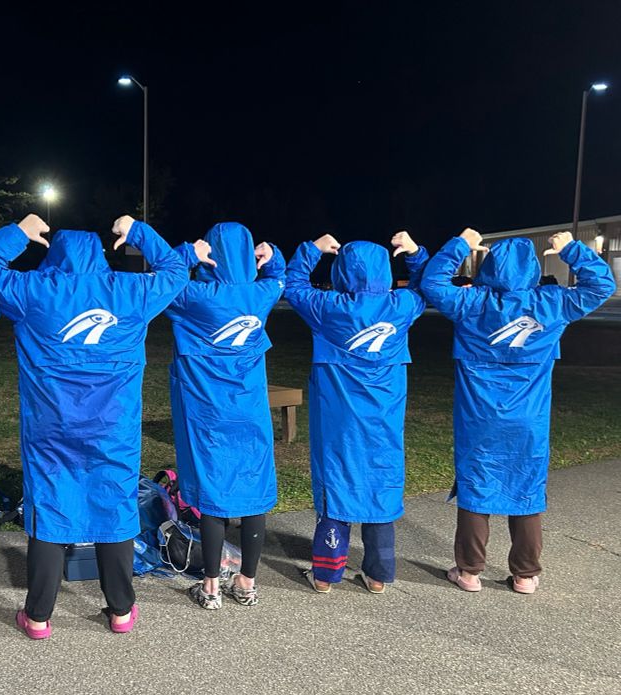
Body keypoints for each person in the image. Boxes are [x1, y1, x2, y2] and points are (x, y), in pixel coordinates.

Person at [0, 213, 192, 638]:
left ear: (54, 256)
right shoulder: (129, 292)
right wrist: (138, 232)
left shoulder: (34, 290)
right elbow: (177, 269)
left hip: (50, 428)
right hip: (113, 428)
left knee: (51, 508)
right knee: (113, 505)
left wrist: (17, 234)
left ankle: (38, 616)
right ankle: (122, 611)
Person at [420, 228, 615, 594]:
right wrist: (571, 250)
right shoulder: (550, 303)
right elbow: (601, 285)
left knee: (477, 484)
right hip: (528, 417)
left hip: (478, 415)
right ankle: (525, 574)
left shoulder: (471, 303)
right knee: (525, 487)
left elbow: (432, 282)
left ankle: (469, 571)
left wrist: (460, 245)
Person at [284, 231, 429, 593]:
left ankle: (326, 574)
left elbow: (293, 283)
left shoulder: (329, 308)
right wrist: (414, 254)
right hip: (383, 418)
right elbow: (431, 284)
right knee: (380, 483)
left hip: (338, 419)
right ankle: (378, 574)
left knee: (337, 481)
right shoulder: (402, 306)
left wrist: (313, 249)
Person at [165, 222, 285, 609]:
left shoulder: (194, 295)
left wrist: (187, 254)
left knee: (214, 497)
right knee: (251, 495)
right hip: (249, 410)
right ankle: (247, 583)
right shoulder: (259, 293)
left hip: (207, 412)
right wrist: (273, 258)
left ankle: (212, 586)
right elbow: (281, 277)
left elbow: (162, 283)